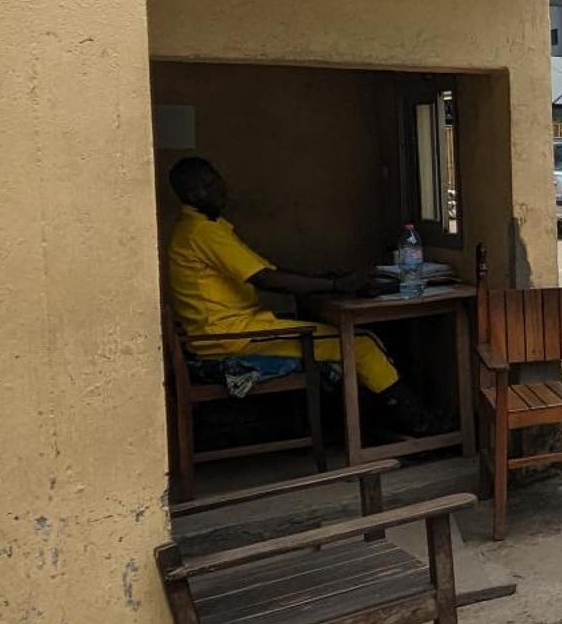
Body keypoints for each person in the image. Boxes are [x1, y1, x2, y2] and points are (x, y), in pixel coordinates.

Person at [163, 156, 432, 438]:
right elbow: (266, 279)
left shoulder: (199, 228)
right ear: (190, 195)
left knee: (345, 336)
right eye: (205, 185)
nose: (218, 188)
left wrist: (324, 278)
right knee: (360, 344)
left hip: (232, 331)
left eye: (215, 179)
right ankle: (418, 424)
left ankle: (381, 423)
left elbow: (265, 269)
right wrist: (335, 284)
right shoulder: (202, 232)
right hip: (233, 339)